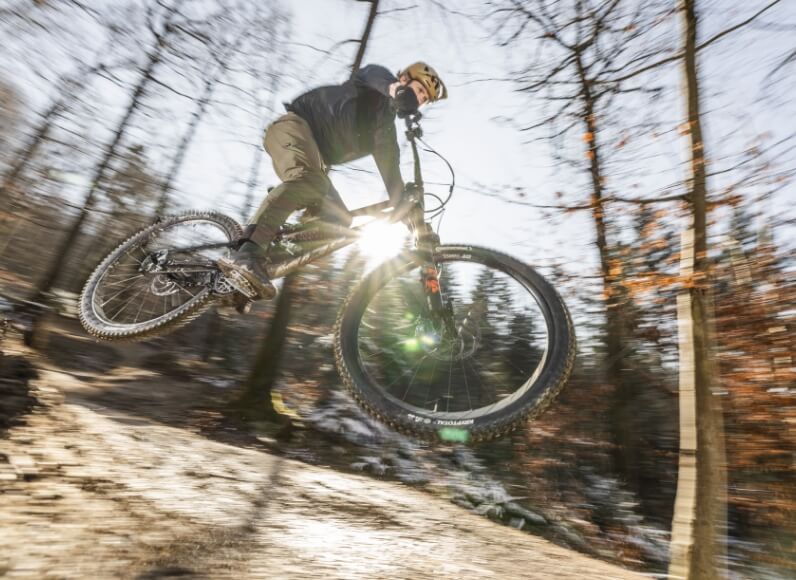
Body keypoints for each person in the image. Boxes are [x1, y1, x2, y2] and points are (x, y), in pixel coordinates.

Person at [218, 62, 448, 300]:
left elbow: (390, 166)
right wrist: (395, 90)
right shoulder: (374, 85)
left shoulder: (384, 129)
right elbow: (373, 76)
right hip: (293, 127)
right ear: (403, 79)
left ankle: (252, 273)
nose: (419, 98)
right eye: (419, 90)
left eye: (423, 98)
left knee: (337, 222)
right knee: (311, 181)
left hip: (314, 159)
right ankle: (247, 253)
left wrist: (406, 209)